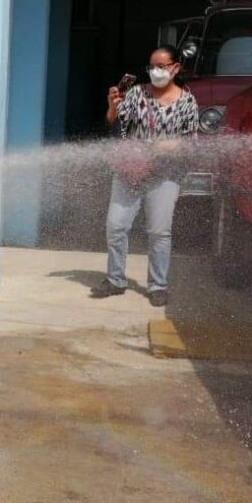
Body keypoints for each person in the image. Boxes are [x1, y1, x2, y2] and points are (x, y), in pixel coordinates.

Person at [92, 45, 200, 307]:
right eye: (152, 66)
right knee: (116, 226)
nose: (155, 71)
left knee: (159, 232)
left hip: (164, 175)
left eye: (161, 66)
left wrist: (166, 146)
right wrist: (112, 107)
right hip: (131, 171)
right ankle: (116, 279)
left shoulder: (187, 101)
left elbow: (191, 142)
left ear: (176, 68)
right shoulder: (137, 93)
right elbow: (116, 127)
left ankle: (158, 285)